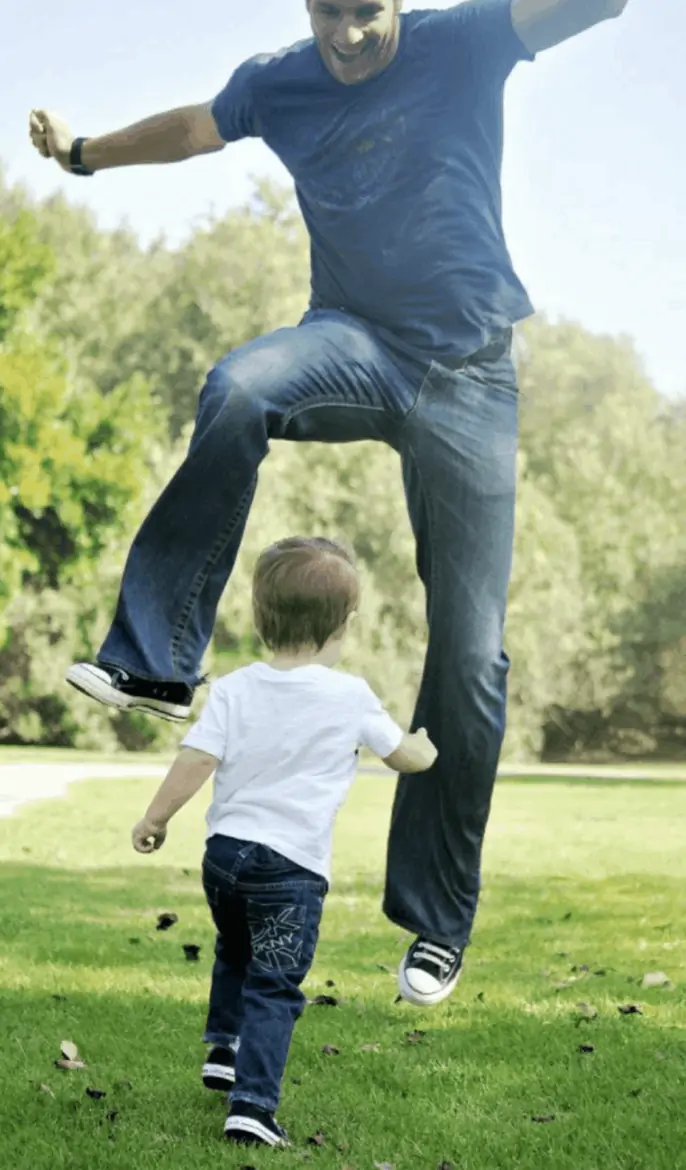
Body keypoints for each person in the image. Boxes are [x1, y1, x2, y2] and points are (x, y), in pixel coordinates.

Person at [30, 0, 630, 1008]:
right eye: (327, 13)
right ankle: (157, 661)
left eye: (366, 12)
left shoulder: (467, 38)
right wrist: (83, 154)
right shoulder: (279, 79)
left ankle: (436, 921)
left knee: (471, 653)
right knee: (238, 388)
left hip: (471, 379)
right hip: (351, 346)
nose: (346, 34)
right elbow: (190, 129)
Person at [131, 536, 437, 1147]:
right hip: (289, 872)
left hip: (224, 861)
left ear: (260, 617)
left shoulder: (237, 687)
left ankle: (223, 1049)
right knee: (274, 983)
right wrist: (425, 750)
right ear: (345, 624)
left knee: (234, 951)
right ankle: (253, 1106)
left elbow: (196, 759)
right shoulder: (350, 695)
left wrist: (156, 817)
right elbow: (400, 754)